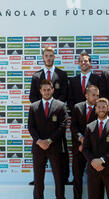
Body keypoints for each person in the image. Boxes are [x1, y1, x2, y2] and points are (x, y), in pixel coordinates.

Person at [29, 47, 70, 186]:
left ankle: (63, 178)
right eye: (46, 55)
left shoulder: (62, 74)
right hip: (41, 122)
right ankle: (37, 179)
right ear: (43, 57)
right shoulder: (36, 76)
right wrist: (42, 108)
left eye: (51, 55)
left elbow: (64, 95)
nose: (48, 58)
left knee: (61, 153)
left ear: (54, 57)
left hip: (57, 118)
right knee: (39, 154)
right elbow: (32, 96)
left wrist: (53, 106)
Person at [27, 79, 68, 199]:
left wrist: (49, 141)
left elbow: (62, 126)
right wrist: (39, 141)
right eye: (44, 90)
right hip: (38, 147)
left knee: (58, 177)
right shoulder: (34, 106)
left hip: (55, 147)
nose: (46, 92)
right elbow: (31, 127)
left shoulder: (60, 105)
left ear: (52, 90)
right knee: (38, 178)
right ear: (40, 91)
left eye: (48, 89)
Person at [68, 85, 102, 199]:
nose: (96, 98)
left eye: (98, 95)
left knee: (98, 180)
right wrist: (80, 138)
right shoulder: (77, 107)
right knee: (77, 178)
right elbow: (73, 127)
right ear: (86, 96)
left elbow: (100, 128)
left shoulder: (100, 108)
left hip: (94, 151)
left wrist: (86, 143)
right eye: (94, 95)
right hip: (79, 150)